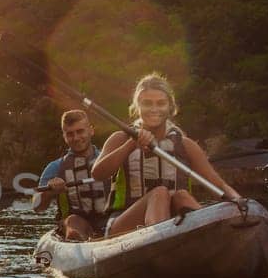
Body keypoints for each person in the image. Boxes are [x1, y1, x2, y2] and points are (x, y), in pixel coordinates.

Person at [90, 72, 242, 238]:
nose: (154, 109)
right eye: (147, 103)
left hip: (172, 223)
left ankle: (211, 238)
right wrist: (131, 144)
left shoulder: (186, 145)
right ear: (137, 107)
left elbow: (218, 185)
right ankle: (161, 242)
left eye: (161, 103)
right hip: (123, 226)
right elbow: (98, 174)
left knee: (182, 195)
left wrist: (240, 202)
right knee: (160, 192)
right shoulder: (121, 138)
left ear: (170, 107)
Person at [33, 109, 108, 240]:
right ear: (64, 137)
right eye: (70, 134)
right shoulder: (55, 167)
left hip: (109, 221)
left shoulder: (109, 159)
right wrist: (49, 192)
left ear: (91, 130)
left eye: (80, 131)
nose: (76, 138)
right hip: (74, 224)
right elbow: (37, 206)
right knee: (73, 222)